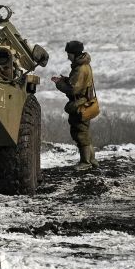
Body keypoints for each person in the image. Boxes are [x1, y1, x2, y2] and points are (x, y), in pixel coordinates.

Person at [52, 40, 97, 171]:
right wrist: (65, 79)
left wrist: (59, 83)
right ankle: (92, 160)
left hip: (80, 104)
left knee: (80, 133)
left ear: (74, 53)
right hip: (85, 102)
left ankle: (85, 162)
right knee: (84, 132)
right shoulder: (84, 65)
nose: (68, 57)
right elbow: (78, 83)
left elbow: (73, 90)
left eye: (69, 54)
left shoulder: (80, 68)